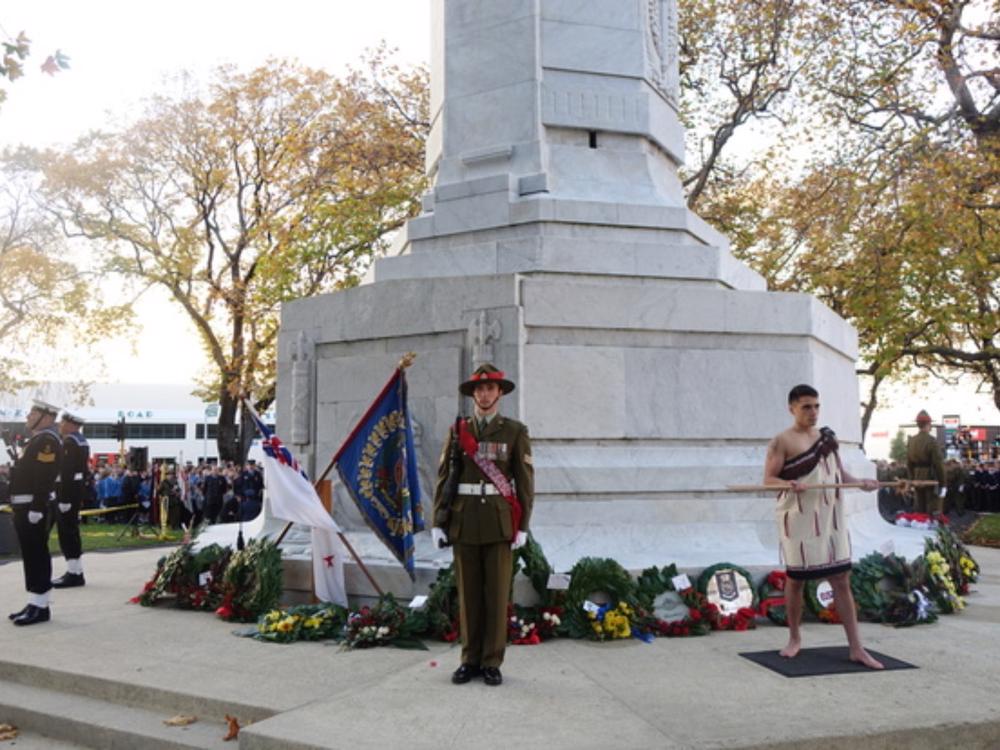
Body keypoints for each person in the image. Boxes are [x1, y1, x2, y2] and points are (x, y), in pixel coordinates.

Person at [763, 384, 883, 669]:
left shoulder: (827, 438)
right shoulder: (782, 441)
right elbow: (768, 480)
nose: (813, 412)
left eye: (816, 406)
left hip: (831, 516)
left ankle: (856, 648)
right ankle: (794, 638)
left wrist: (861, 484)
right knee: (796, 580)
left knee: (841, 579)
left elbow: (838, 474)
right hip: (799, 516)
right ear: (792, 408)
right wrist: (788, 484)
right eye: (806, 406)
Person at [431, 363, 534, 687]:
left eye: (490, 388)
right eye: (480, 389)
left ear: (499, 393)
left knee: (497, 595)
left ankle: (492, 661)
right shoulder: (458, 430)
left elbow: (525, 482)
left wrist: (523, 526)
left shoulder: (514, 431)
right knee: (469, 595)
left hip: (499, 523)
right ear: (473, 394)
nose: (485, 394)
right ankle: (469, 659)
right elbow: (445, 477)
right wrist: (438, 521)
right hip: (463, 520)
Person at [8, 401, 63, 626]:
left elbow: (44, 476)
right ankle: (35, 602)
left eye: (33, 413)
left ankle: (40, 606)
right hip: (25, 505)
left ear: (47, 418)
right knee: (31, 555)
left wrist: (38, 507)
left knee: (37, 555)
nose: (28, 417)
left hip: (33, 506)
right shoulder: (36, 440)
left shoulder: (47, 441)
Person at [51, 411, 90, 588]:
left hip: (67, 491)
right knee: (71, 530)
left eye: (62, 422)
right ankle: (76, 571)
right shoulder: (81, 440)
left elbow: (67, 471)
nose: (60, 425)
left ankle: (74, 573)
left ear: (71, 425)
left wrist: (64, 498)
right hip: (75, 489)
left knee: (66, 532)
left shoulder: (69, 442)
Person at [906, 410, 945, 514]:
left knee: (919, 507)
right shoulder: (931, 440)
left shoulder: (912, 440)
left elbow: (909, 463)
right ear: (928, 424)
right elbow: (938, 464)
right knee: (932, 507)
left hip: (916, 477)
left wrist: (911, 479)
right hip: (930, 476)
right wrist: (943, 483)